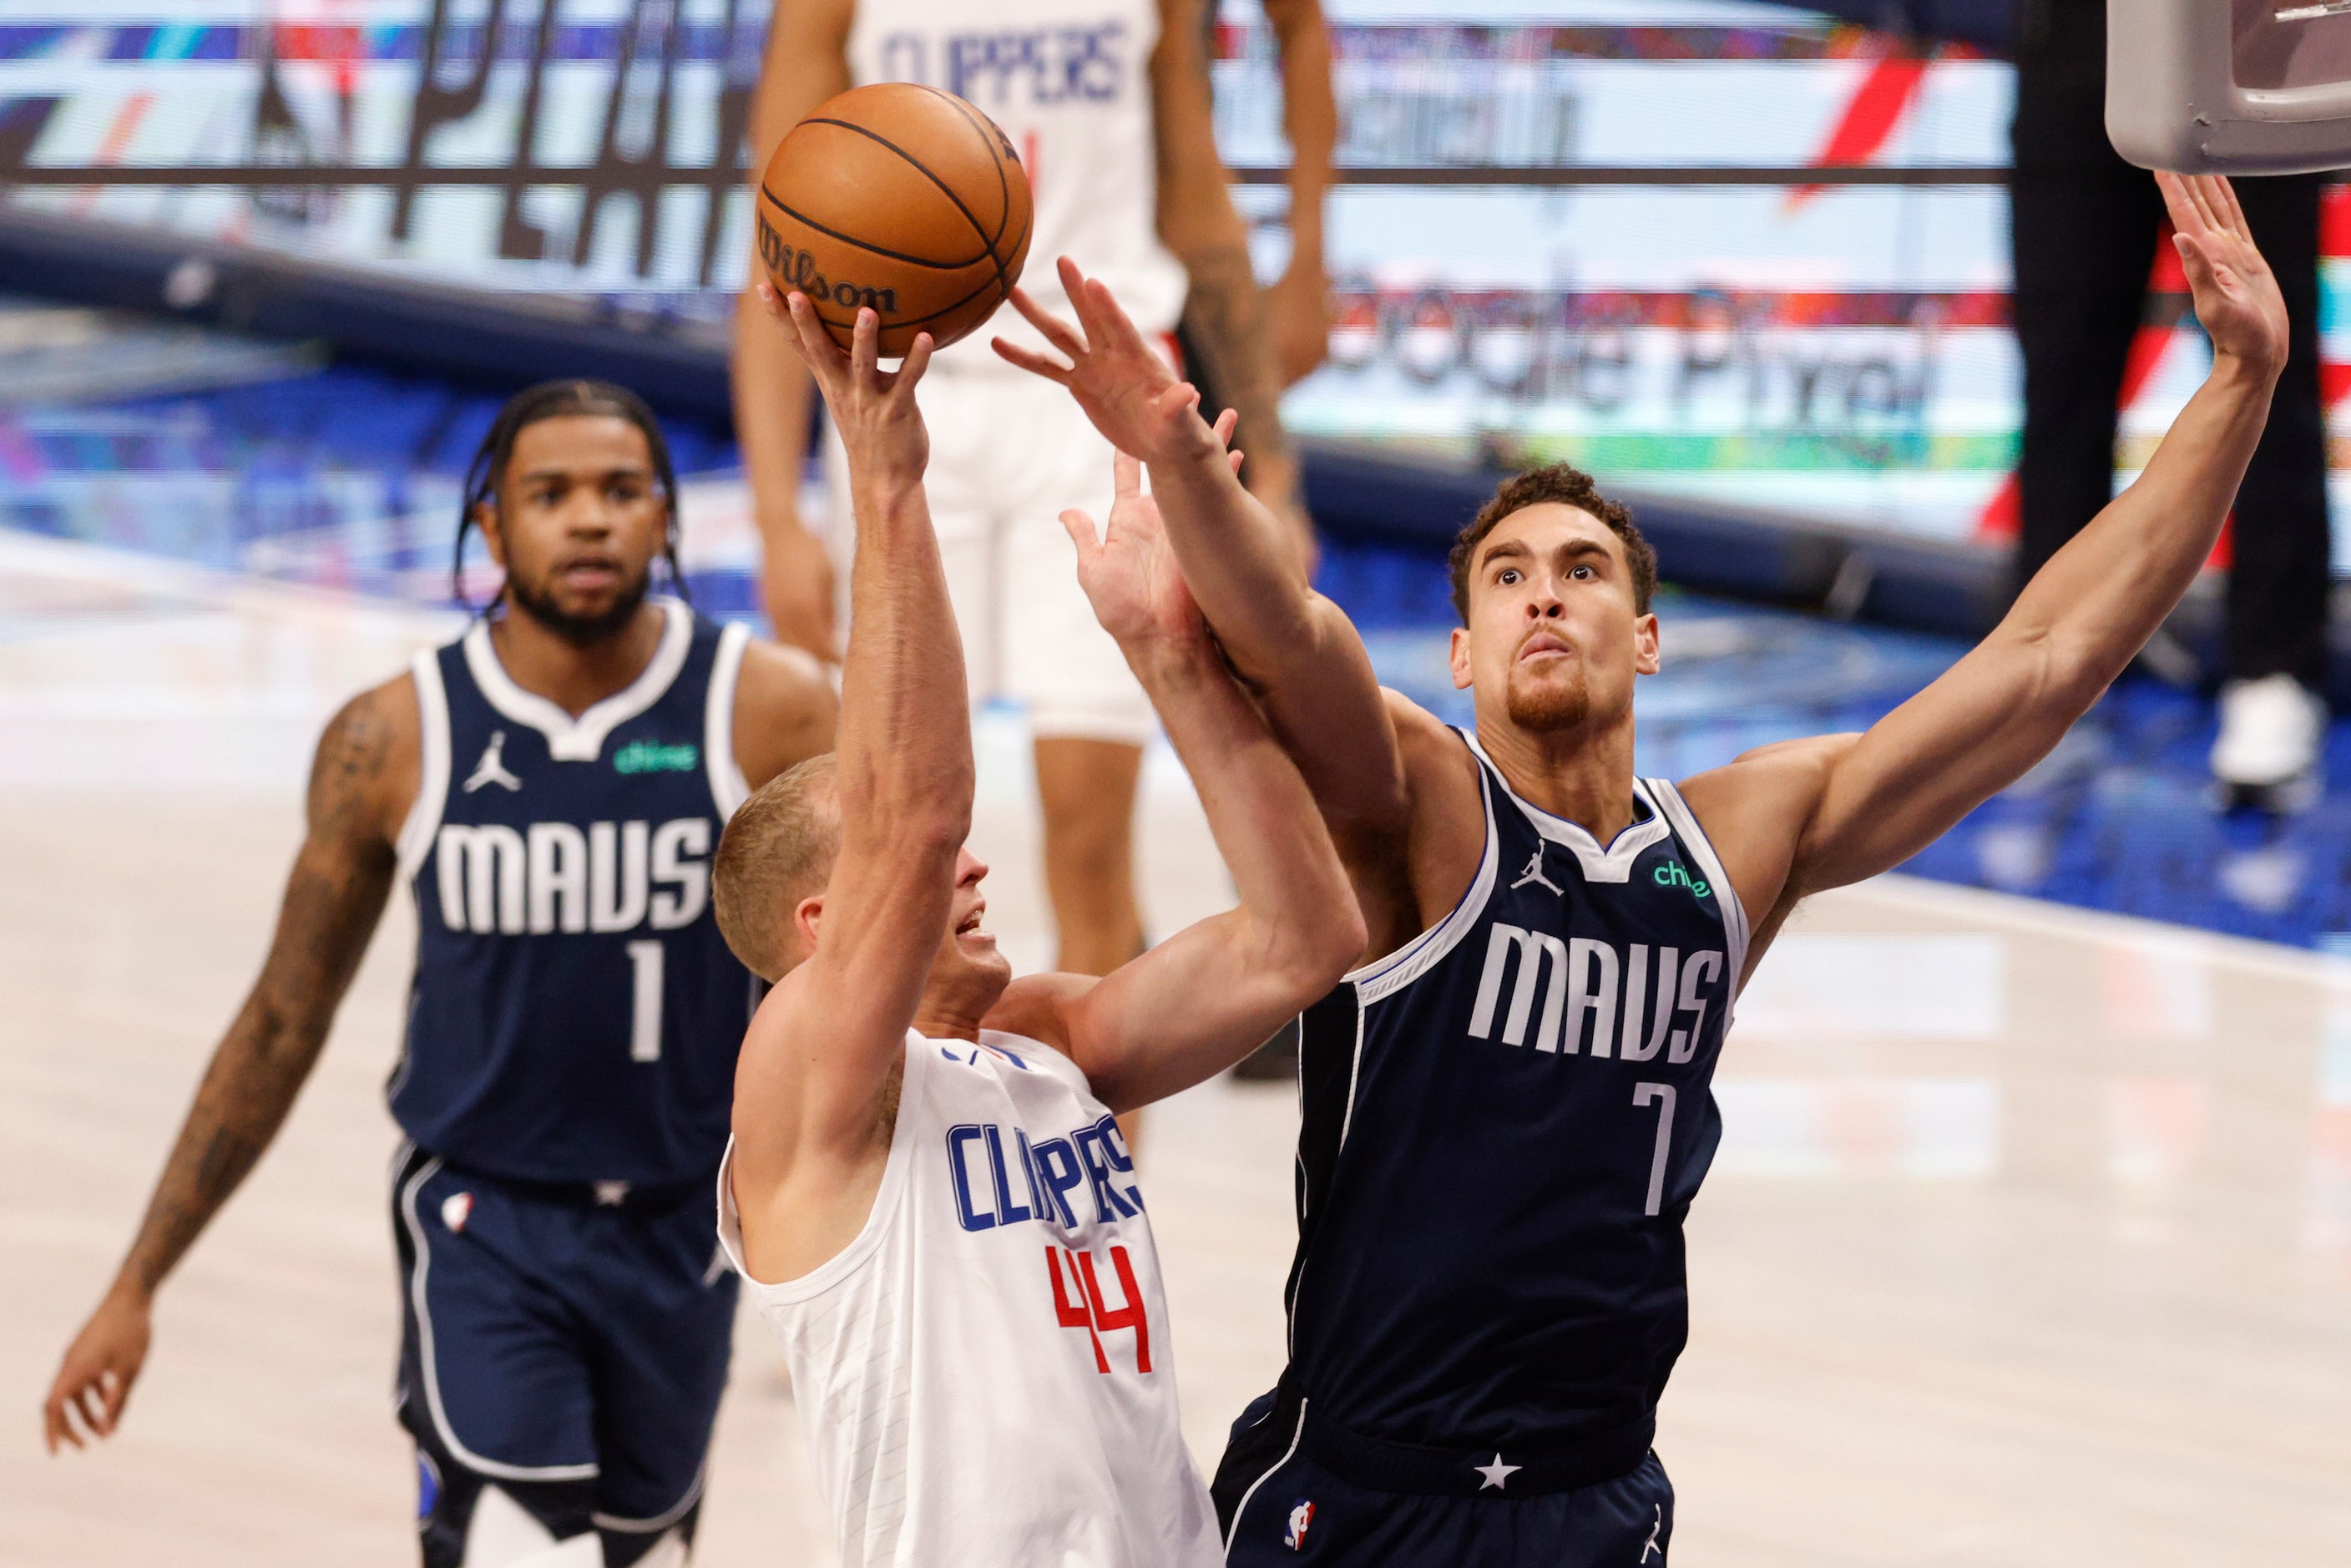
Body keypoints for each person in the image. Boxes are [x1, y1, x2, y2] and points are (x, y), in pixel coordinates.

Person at [997, 172, 2284, 1561]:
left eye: (1581, 568)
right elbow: (1295, 643)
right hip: (1362, 1495)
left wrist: (2241, 378)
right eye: (1504, 577)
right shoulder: (1426, 807)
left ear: (1649, 637)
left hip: (1597, 1494)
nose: (1542, 589)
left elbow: (2047, 663)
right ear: (1462, 655)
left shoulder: (1736, 841)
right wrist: (1184, 463)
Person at [41, 381, 838, 1568]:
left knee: (645, 1549)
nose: (589, 521)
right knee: (519, 1548)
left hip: (690, 1226)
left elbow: (869, 973)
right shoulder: (394, 739)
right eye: (551, 493)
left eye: (623, 492)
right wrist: (138, 1280)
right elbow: (279, 1021)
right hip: (485, 1222)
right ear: (489, 523)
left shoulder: (766, 713)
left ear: (669, 521)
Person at [709, 291, 1361, 1566]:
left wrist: (1170, 653)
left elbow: (1304, 938)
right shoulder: (802, 1092)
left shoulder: (1048, 1045)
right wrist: (888, 484)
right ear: (820, 923)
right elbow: (918, 804)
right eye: (912, 865)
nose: (966, 863)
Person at [732, 0, 1332, 984]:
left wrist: (1272, 468)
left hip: (1089, 402)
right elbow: (774, 255)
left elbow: (1192, 197)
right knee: (892, 843)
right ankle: (896, 1132)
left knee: (1088, 840)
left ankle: (1099, 1139)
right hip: (904, 403)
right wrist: (773, 515)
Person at [2012, 0, 2331, 806]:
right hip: (2079, 33)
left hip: (2244, 38)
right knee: (2063, 369)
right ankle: (2039, 675)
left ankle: (2273, 670)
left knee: (2267, 354)